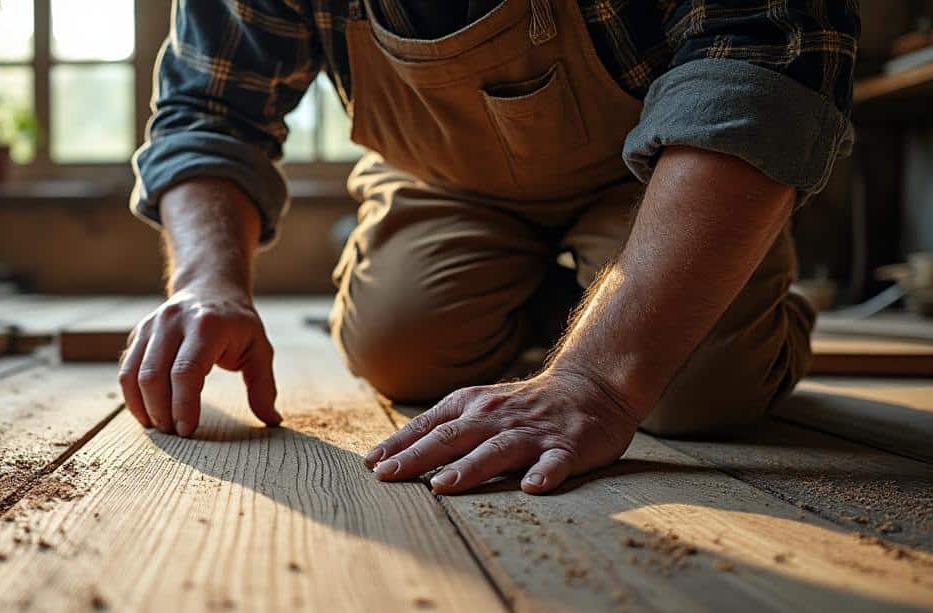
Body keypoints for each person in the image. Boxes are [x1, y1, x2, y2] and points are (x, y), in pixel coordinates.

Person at [121, 0, 860, 495]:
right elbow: (209, 110)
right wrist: (206, 283)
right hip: (444, 175)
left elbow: (763, 71)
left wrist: (598, 382)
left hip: (660, 170)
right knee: (401, 349)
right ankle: (565, 310)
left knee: (698, 388)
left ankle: (726, 280)